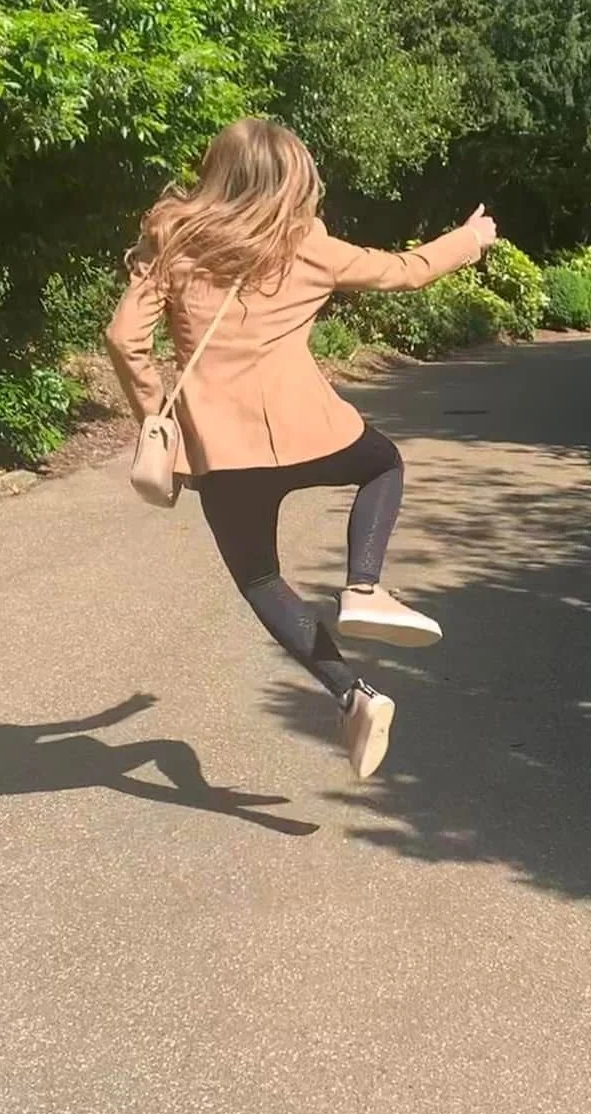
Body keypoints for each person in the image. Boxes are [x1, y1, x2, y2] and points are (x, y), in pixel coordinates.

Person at [107, 118, 498, 781]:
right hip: (312, 431)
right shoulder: (307, 245)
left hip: (221, 455)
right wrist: (470, 238)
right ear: (295, 180)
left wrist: (156, 417)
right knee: (384, 464)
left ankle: (355, 696)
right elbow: (406, 271)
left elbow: (124, 338)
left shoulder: (173, 243)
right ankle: (364, 586)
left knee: (260, 579)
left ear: (217, 174)